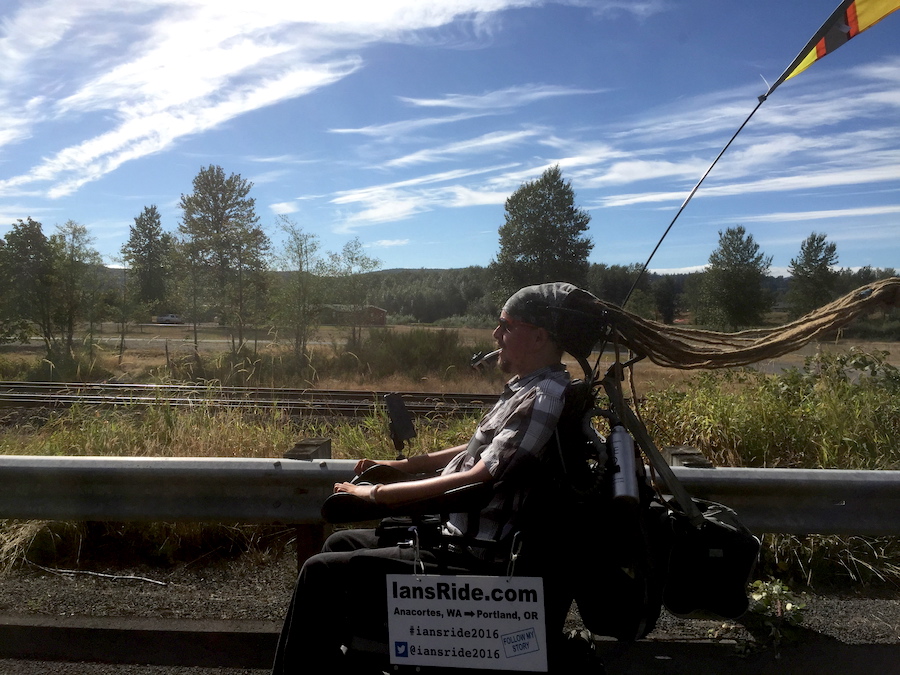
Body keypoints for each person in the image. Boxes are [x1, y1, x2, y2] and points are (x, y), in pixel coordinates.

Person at [271, 283, 580, 675]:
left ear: (538, 336)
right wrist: (401, 467)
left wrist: (379, 495)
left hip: (477, 556)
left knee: (320, 574)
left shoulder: (543, 399)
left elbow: (480, 478)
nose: (495, 335)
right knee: (339, 541)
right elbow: (476, 453)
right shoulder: (530, 389)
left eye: (505, 325)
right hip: (463, 535)